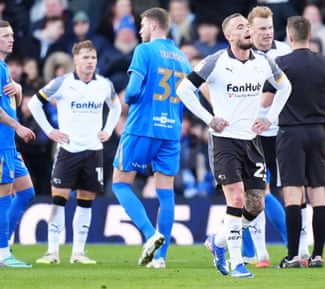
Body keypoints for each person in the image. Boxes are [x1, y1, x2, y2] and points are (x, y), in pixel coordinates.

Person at [176, 13, 291, 278]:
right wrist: (209, 118)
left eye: (247, 26)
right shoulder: (215, 62)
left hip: (252, 141)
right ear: (229, 36)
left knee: (256, 204)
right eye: (241, 27)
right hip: (224, 140)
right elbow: (184, 89)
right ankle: (236, 263)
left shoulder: (263, 62)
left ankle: (217, 242)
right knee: (236, 198)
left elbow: (285, 87)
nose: (248, 30)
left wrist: (270, 117)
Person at [111, 7, 192, 269]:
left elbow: (133, 92)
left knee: (120, 184)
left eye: (142, 25)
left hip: (141, 127)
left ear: (154, 25)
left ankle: (150, 234)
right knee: (165, 193)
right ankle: (160, 258)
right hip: (171, 131)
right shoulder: (182, 58)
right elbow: (190, 99)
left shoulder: (144, 51)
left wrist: (129, 98)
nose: (139, 30)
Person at [28, 40, 122, 265]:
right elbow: (34, 103)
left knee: (85, 201)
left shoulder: (104, 84)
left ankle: (78, 252)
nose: (90, 62)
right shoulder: (62, 83)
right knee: (58, 200)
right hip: (68, 150)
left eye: (93, 58)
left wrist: (107, 130)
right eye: (85, 57)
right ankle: (52, 252)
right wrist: (50, 131)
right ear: (76, 60)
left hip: (93, 151)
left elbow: (116, 106)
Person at [275, 15, 325, 268]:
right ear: (309, 35)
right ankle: (318, 255)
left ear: (289, 36)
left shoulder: (280, 64)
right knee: (318, 194)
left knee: (293, 193)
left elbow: (267, 101)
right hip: (317, 132)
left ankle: (292, 255)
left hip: (290, 132)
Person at [238, 5, 292, 269]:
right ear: (251, 30)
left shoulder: (285, 52)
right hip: (252, 134)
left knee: (281, 191)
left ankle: (292, 246)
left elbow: (288, 90)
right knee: (257, 191)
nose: (267, 33)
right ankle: (261, 253)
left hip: (281, 133)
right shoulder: (242, 54)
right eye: (262, 29)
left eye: (270, 27)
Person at [0, 19, 36, 268]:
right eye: (5, 36)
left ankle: (5, 242)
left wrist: (20, 90)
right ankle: (2, 254)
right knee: (3, 195)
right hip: (2, 142)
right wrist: (18, 126)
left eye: (11, 35)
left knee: (26, 192)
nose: (10, 39)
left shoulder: (4, 68)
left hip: (9, 144)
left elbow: (11, 103)